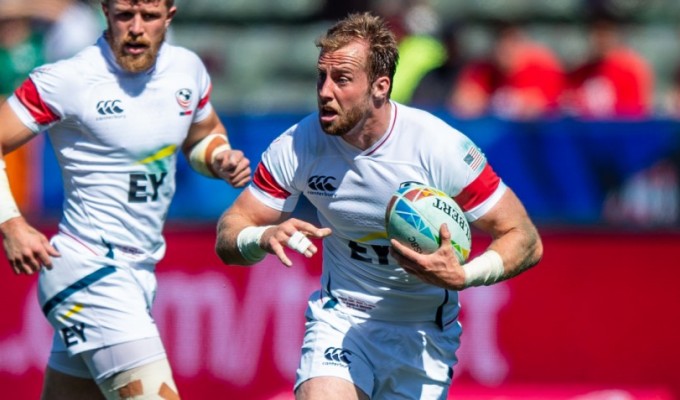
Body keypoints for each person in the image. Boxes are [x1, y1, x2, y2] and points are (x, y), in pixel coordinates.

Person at [215, 12, 542, 400]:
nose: (324, 91)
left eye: (342, 79)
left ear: (380, 87)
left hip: (424, 337)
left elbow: (525, 237)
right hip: (341, 321)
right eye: (321, 77)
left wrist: (465, 275)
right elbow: (229, 232)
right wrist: (262, 235)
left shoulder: (437, 147)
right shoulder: (298, 145)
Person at [0, 0, 251, 399]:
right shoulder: (67, 79)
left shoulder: (187, 69)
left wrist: (218, 157)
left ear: (169, 14)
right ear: (105, 12)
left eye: (149, 16)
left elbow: (203, 132)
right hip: (89, 271)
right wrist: (11, 224)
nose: (135, 27)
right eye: (123, 15)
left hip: (139, 272)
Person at [450, 22, 565, 120]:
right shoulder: (483, 69)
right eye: (501, 42)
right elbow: (461, 103)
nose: (506, 49)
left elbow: (545, 108)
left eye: (512, 42)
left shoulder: (543, 68)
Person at [561, 15, 654, 119]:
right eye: (597, 32)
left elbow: (634, 116)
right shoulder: (579, 73)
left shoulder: (631, 70)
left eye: (606, 32)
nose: (601, 39)